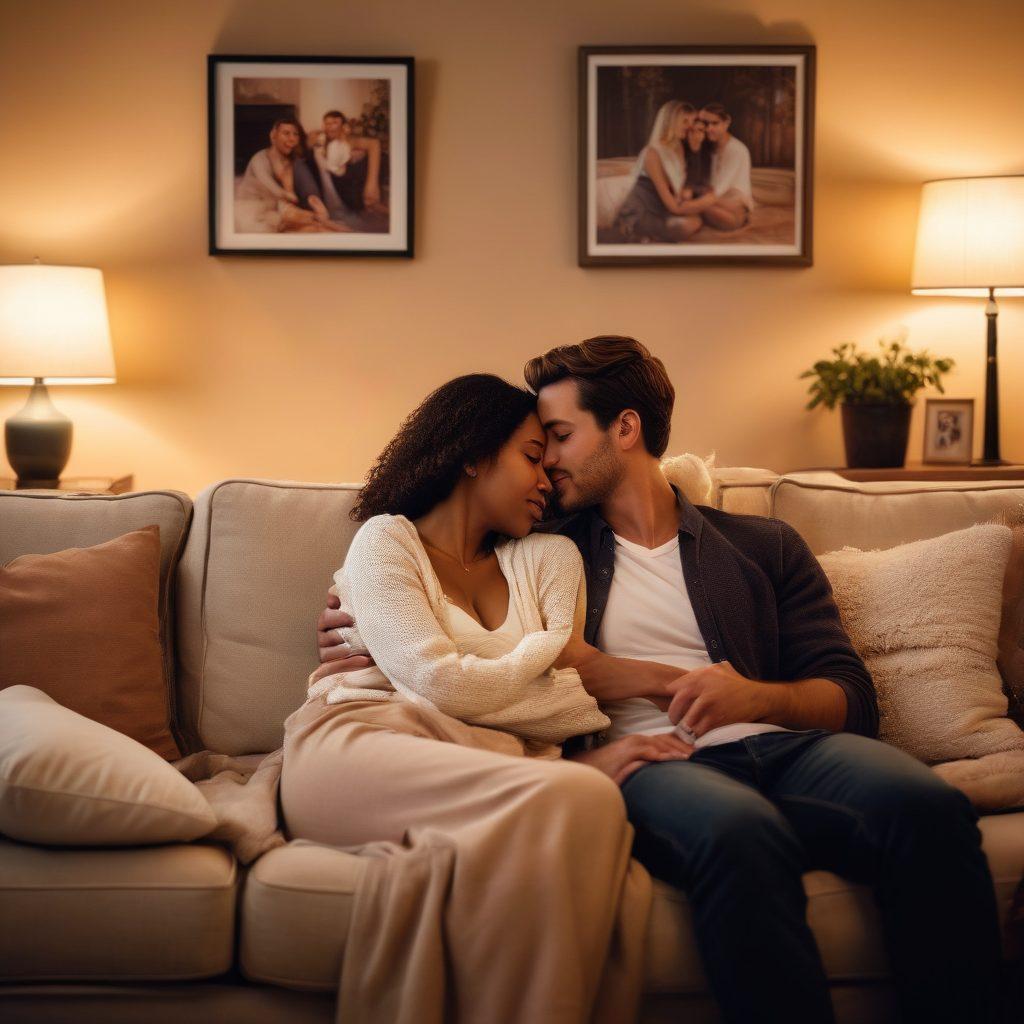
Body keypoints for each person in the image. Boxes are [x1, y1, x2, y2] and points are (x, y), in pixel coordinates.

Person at [316, 337, 1005, 1024]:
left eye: (560, 437)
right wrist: (355, 625)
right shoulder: (539, 546)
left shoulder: (763, 545)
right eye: (537, 448)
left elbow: (851, 697)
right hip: (653, 765)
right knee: (739, 833)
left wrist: (757, 696)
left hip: (786, 748)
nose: (546, 461)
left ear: (625, 428)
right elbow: (444, 598)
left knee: (928, 808)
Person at [281, 373, 657, 1024]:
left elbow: (568, 693)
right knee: (583, 794)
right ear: (475, 454)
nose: (547, 480)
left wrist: (522, 685)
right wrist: (548, 669)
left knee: (589, 801)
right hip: (361, 743)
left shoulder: (549, 558)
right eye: (532, 457)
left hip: (487, 758)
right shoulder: (386, 542)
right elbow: (445, 684)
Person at [612, 99, 717, 243]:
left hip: (663, 209)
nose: (690, 126)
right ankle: (640, 234)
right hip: (642, 211)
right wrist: (706, 202)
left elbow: (681, 191)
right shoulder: (652, 153)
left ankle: (653, 236)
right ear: (670, 122)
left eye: (692, 121)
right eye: (685, 121)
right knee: (689, 224)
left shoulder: (679, 149)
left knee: (695, 220)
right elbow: (674, 207)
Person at [234, 118, 347, 233]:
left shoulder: (291, 162)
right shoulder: (259, 159)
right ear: (273, 135)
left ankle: (335, 228)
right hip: (255, 210)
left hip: (277, 208)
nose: (292, 139)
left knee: (318, 225)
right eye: (286, 133)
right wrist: (290, 197)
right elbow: (275, 190)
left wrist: (312, 199)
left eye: (295, 134)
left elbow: (298, 189)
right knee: (314, 226)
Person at [305, 109, 385, 219]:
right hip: (338, 190)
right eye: (327, 123)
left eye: (334, 123)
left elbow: (374, 144)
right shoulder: (320, 140)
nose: (330, 126)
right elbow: (309, 145)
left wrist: (372, 184)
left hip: (354, 186)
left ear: (343, 126)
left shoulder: (348, 141)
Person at [697, 102, 755, 230]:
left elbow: (719, 188)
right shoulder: (708, 147)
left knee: (695, 206)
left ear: (727, 122)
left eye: (715, 123)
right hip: (716, 201)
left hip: (735, 207)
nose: (709, 129)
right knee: (696, 205)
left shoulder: (736, 149)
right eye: (705, 124)